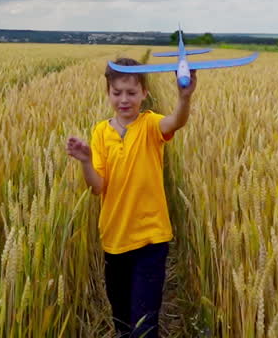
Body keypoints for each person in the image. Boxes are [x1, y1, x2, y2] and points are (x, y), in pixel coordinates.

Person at [65, 57, 197, 338]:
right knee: (123, 321)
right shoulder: (101, 132)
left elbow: (176, 121)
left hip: (151, 239)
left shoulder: (151, 125)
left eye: (131, 93)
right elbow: (97, 187)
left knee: (145, 323)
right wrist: (86, 161)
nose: (124, 99)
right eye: (117, 93)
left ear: (144, 95)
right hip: (114, 238)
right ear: (108, 93)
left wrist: (184, 98)